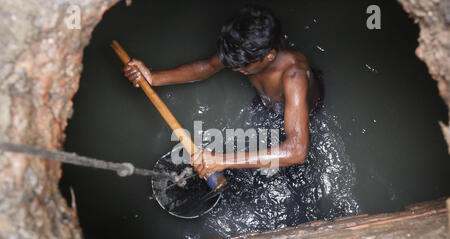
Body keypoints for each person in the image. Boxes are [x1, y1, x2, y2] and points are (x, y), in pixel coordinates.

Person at [123, 5, 323, 179]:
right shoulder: (244, 49)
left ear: (269, 56)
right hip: (268, 101)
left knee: (289, 168)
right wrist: (153, 78)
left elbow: (297, 151)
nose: (236, 69)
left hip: (303, 110)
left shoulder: (294, 76)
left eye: (243, 67)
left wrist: (221, 161)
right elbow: (208, 66)